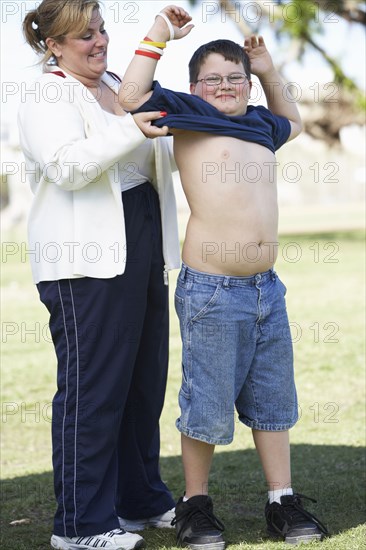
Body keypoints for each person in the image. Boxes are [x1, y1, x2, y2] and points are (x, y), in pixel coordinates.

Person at [119, 6, 329, 549]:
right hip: (213, 289)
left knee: (273, 399)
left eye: (235, 78)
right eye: (213, 78)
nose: (224, 86)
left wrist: (266, 67)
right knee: (206, 404)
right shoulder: (187, 113)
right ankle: (195, 505)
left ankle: (281, 500)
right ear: (195, 86)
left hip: (266, 288)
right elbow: (130, 96)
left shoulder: (261, 124)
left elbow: (296, 120)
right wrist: (159, 35)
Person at [18, 1, 193, 549]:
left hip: (139, 236)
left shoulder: (117, 83)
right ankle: (80, 527)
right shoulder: (45, 92)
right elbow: (67, 165)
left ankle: (140, 500)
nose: (98, 42)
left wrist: (159, 44)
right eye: (82, 36)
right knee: (92, 392)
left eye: (100, 29)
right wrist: (132, 131)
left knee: (143, 382)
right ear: (53, 45)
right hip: (83, 257)